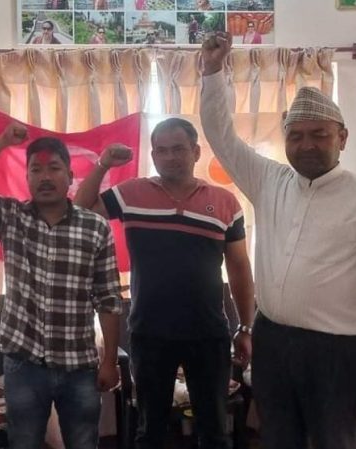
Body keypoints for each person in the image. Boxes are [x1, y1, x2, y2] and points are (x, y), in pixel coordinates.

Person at [201, 32, 356, 449]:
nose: (306, 145)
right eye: (295, 135)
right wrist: (212, 73)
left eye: (319, 134)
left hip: (339, 354)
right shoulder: (270, 180)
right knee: (279, 440)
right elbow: (221, 136)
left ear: (342, 138)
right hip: (273, 343)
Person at [74, 118, 255, 449]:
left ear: (196, 152)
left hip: (209, 334)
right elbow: (80, 209)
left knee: (214, 431)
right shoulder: (132, 193)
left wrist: (245, 326)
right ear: (153, 155)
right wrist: (103, 164)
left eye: (179, 149)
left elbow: (240, 268)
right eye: (162, 150)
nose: (170, 157)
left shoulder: (225, 202)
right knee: (150, 431)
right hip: (150, 333)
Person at [0, 123, 123, 449]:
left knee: (84, 444)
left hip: (79, 365)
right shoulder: (11, 218)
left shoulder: (95, 228)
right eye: (36, 170)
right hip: (24, 365)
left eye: (54, 168)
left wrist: (110, 360)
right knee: (24, 443)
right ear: (27, 178)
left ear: (70, 176)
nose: (45, 177)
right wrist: (2, 141)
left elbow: (109, 298)